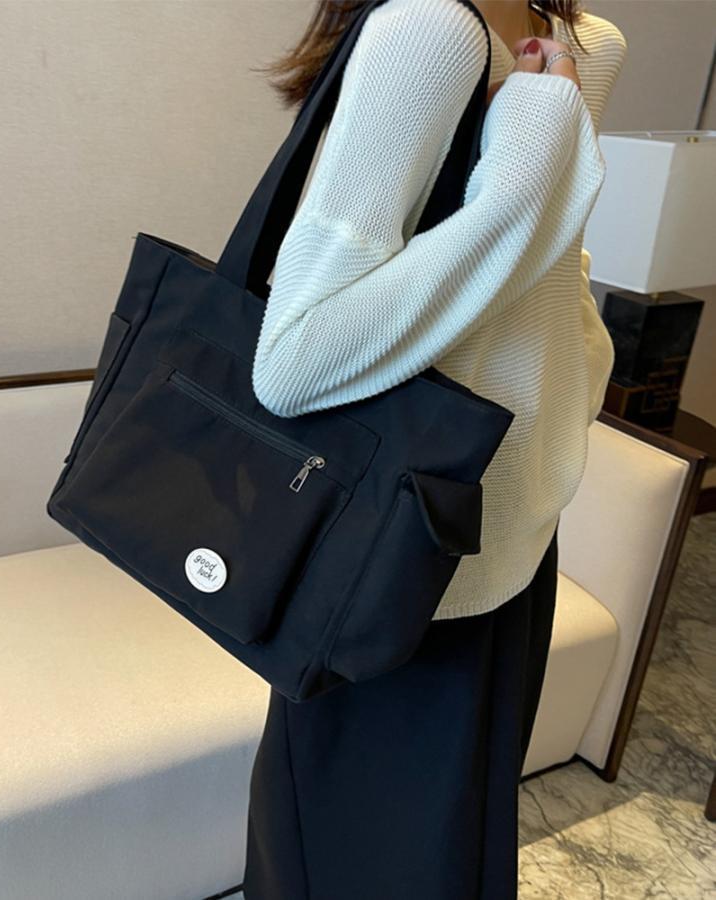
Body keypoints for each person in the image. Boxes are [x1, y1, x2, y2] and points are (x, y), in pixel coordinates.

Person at [242, 1, 627, 898]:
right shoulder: (430, 31)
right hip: (394, 560)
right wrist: (521, 179)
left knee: (453, 864)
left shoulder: (586, 42)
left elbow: (553, 277)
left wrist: (565, 415)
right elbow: (294, 362)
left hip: (511, 539)